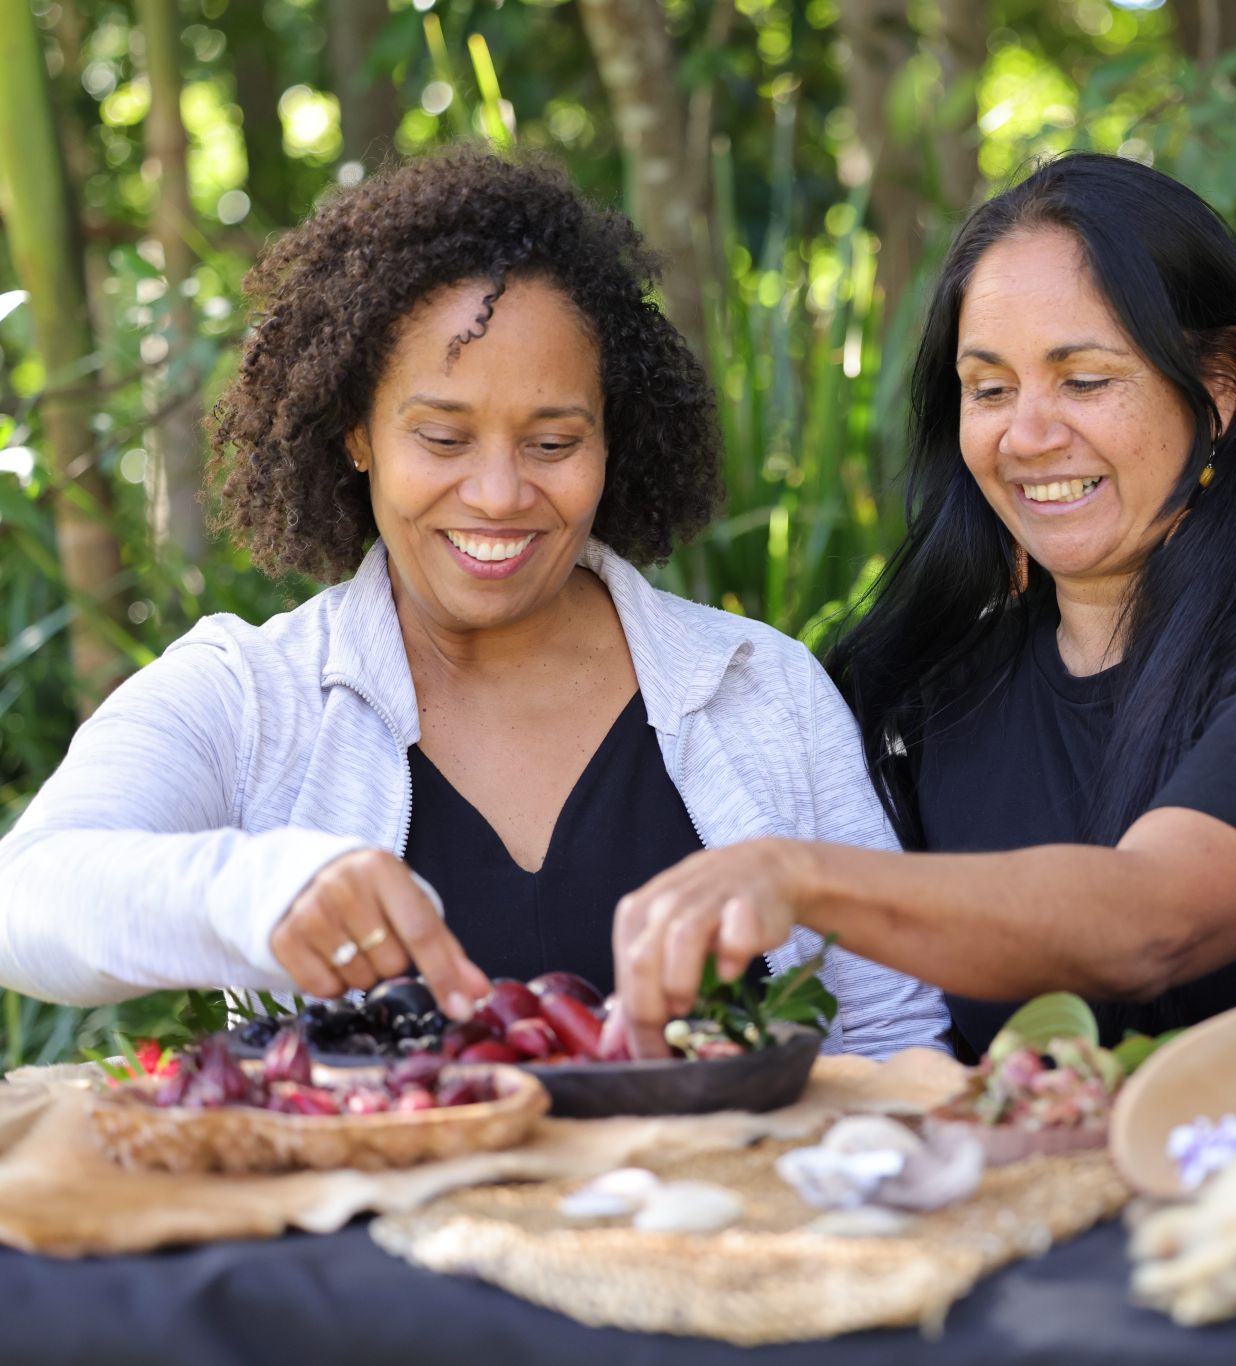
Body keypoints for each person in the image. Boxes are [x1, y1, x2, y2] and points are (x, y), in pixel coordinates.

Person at [0, 148, 945, 1060]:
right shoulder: (252, 697)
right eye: (443, 437)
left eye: (552, 442)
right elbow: (26, 897)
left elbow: (894, 1038)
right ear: (356, 434)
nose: (497, 494)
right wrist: (257, 890)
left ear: (614, 441)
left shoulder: (760, 690)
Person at [604, 152, 1236, 1058]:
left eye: (1084, 380)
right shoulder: (933, 694)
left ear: (1220, 389)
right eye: (990, 390)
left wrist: (799, 877)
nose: (1027, 437)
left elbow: (1152, 922)